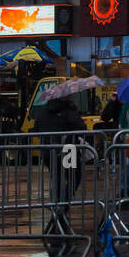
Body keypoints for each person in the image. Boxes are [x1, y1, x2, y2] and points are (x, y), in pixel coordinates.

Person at [32, 94, 87, 243]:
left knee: (56, 178)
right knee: (74, 177)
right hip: (68, 151)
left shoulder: (44, 111)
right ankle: (63, 206)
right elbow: (81, 128)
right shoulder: (69, 111)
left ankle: (57, 204)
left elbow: (36, 128)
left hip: (49, 151)